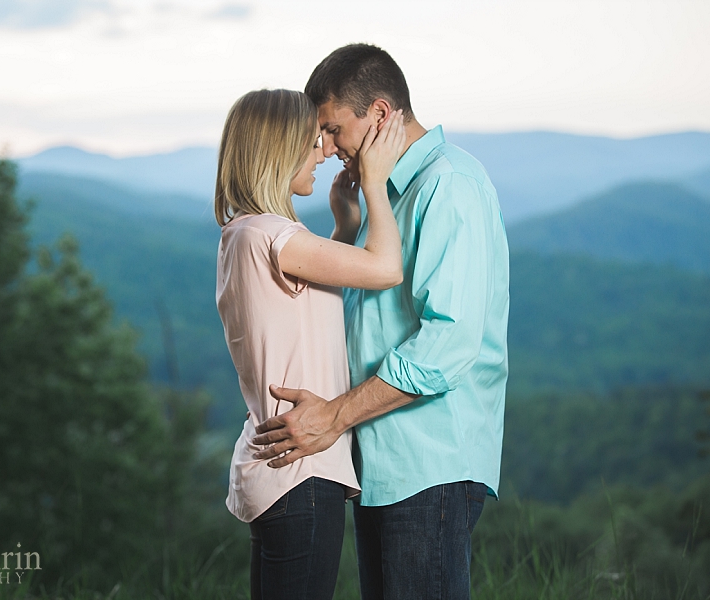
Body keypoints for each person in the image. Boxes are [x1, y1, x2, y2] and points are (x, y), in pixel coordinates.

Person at [251, 44, 510, 600]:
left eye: (333, 129)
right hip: (386, 457)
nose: (325, 148)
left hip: (428, 459)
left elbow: (447, 344)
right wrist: (349, 225)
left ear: (381, 115)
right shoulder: (389, 189)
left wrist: (334, 418)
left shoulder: (448, 185)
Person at [214, 88, 407, 600]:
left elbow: (306, 294)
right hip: (303, 470)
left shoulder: (245, 234)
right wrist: (375, 184)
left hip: (280, 469)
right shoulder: (274, 235)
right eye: (312, 139)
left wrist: (344, 226)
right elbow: (386, 269)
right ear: (278, 150)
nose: (324, 150)